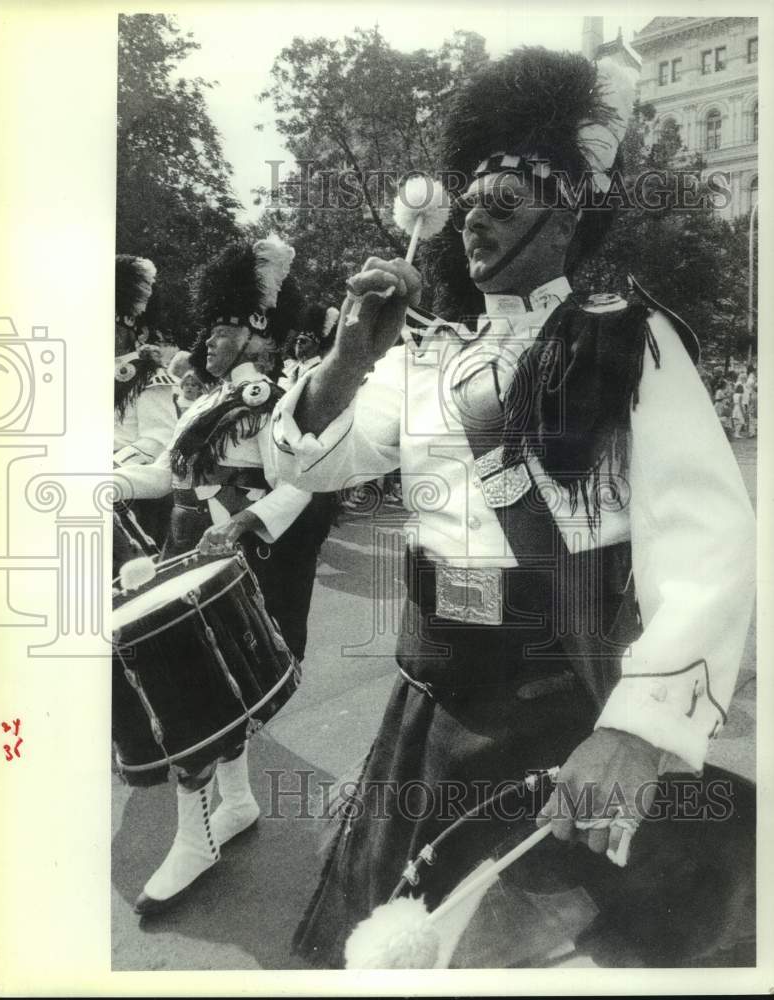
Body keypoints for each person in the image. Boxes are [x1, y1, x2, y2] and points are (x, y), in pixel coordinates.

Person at [268, 48, 756, 967]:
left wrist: (634, 734)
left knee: (535, 960)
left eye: (504, 196)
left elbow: (710, 548)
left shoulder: (631, 342)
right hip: (423, 714)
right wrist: (345, 361)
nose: (472, 221)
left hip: (561, 712)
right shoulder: (425, 359)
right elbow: (311, 464)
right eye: (469, 201)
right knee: (403, 951)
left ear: (567, 207)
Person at [114, 238, 333, 915]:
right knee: (209, 689)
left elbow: (305, 480)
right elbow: (170, 474)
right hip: (189, 551)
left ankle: (194, 840)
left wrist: (242, 523)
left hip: (241, 564)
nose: (205, 336)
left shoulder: (279, 397)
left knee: (194, 696)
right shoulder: (207, 396)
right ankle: (234, 802)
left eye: (221, 323)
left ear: (256, 326)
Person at [113, 255, 178, 568]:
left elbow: (159, 438)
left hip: (126, 489)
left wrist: (112, 465)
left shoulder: (148, 373)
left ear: (127, 325)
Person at [279, 304, 340, 390]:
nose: (298, 343)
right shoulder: (290, 366)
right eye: (297, 340)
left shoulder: (319, 371)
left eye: (303, 341)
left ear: (316, 346)